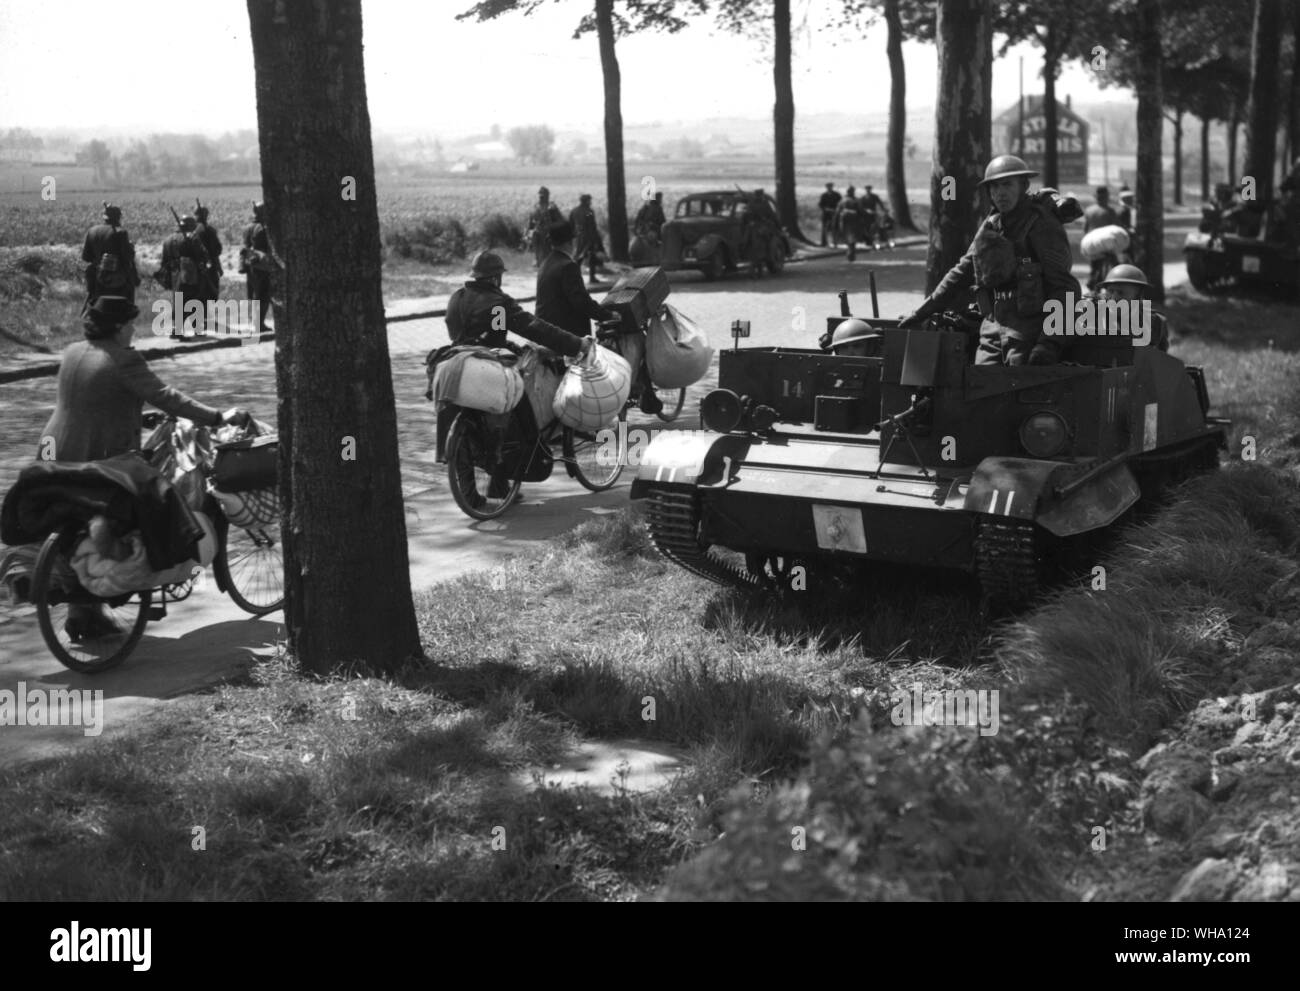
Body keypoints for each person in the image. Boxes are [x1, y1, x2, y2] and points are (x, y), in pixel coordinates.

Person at [35, 295, 250, 638]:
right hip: (100, 457)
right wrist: (217, 416)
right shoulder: (124, 359)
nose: (135, 328)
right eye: (132, 323)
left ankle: (83, 613)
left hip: (54, 452)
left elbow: (95, 399)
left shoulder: (73, 352)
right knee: (144, 513)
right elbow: (166, 395)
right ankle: (137, 579)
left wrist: (138, 414)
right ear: (119, 328)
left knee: (77, 523)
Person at [899, 154, 1080, 366]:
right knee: (980, 384)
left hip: (1030, 334)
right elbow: (961, 272)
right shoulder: (992, 225)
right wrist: (922, 312)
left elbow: (1066, 288)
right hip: (992, 331)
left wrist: (1050, 343)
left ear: (1024, 186)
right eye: (994, 187)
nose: (1000, 193)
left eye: (1007, 185)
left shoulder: (1041, 224)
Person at [445, 251, 591, 500]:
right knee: (520, 413)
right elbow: (533, 328)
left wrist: (509, 346)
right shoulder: (496, 303)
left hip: (457, 365)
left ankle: (473, 493)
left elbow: (488, 333)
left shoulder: (457, 298)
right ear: (495, 279)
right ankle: (504, 478)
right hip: (488, 369)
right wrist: (576, 344)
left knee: (464, 424)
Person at [81, 203, 141, 313]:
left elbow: (86, 257)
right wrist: (131, 248)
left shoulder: (92, 231)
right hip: (116, 280)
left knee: (92, 307)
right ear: (118, 217)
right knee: (124, 307)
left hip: (95, 277)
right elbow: (127, 257)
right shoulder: (121, 232)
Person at [159, 214, 211, 337]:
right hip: (190, 275)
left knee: (180, 301)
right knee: (194, 300)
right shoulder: (192, 238)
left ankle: (191, 328)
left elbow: (164, 261)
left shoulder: (168, 240)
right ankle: (179, 330)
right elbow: (202, 255)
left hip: (174, 275)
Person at [1096, 263, 1169, 352]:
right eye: (1110, 291)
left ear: (1138, 297)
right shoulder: (1093, 317)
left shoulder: (1154, 322)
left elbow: (1162, 360)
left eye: (1121, 293)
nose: (1114, 298)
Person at [240, 202, 273, 336]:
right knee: (263, 295)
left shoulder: (247, 227)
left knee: (254, 294)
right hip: (261, 264)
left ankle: (256, 323)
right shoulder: (262, 228)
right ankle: (259, 324)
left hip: (249, 264)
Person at [1083, 186, 1121, 290]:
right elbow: (1116, 227)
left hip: (1092, 243)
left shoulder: (1089, 210)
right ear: (1106, 197)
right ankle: (1117, 285)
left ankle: (1093, 285)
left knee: (1095, 267)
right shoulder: (1110, 211)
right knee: (1116, 265)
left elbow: (1085, 229)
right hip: (1106, 244)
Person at [569, 193, 606, 284]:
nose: (590, 202)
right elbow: (592, 226)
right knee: (591, 257)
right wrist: (596, 240)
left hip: (578, 238)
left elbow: (570, 225)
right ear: (587, 201)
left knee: (578, 258)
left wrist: (574, 236)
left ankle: (575, 278)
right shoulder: (589, 212)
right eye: (590, 200)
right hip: (588, 238)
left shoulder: (574, 211)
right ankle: (591, 277)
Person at [193, 201, 223, 311]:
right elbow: (217, 250)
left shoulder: (191, 230)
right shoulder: (209, 230)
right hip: (209, 266)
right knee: (211, 292)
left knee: (198, 292)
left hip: (194, 266)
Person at [527, 186, 564, 268]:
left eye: (543, 195)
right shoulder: (535, 207)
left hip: (549, 235)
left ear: (547, 195)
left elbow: (560, 221)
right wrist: (528, 234)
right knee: (538, 256)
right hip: (537, 235)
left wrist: (551, 226)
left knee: (549, 257)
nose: (542, 197)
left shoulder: (552, 207)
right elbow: (530, 223)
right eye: (540, 195)